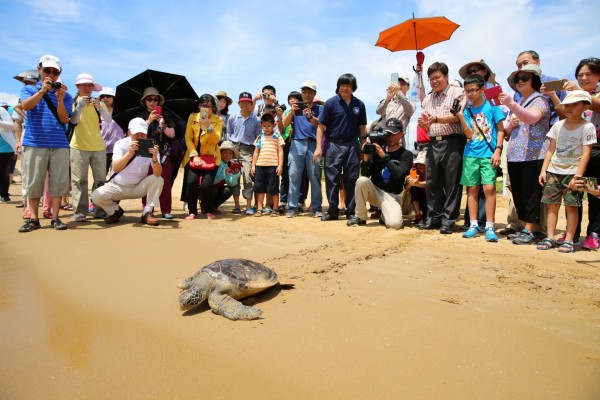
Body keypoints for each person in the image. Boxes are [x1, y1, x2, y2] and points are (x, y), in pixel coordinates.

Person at [18, 55, 73, 233]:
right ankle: (34, 218)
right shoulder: (29, 90)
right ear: (39, 69)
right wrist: (42, 91)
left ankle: (55, 218)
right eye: (47, 70)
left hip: (59, 143)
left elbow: (65, 119)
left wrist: (59, 99)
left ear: (59, 74)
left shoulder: (66, 95)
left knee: (58, 182)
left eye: (55, 72)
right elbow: (25, 107)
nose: (51, 74)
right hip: (35, 142)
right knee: (34, 182)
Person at [499, 63, 551, 245]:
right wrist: (511, 122)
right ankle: (524, 227)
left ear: (535, 80)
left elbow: (532, 118)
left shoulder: (540, 100)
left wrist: (511, 105)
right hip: (516, 155)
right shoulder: (521, 102)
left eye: (524, 78)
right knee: (519, 192)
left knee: (530, 193)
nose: (519, 82)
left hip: (534, 154)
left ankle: (530, 230)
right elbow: (506, 129)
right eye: (517, 79)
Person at [537, 90, 595, 253]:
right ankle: (550, 237)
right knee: (552, 205)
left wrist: (578, 175)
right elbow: (550, 150)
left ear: (585, 106)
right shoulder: (558, 125)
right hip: (553, 172)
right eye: (566, 105)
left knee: (571, 207)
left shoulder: (587, 127)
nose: (568, 108)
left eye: (574, 105)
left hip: (572, 173)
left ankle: (569, 239)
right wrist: (544, 170)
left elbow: (586, 153)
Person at [454, 74, 506, 242]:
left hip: (488, 154)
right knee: (472, 189)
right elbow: (469, 134)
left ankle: (490, 226)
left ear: (483, 89)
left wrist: (498, 150)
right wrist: (461, 116)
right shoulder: (467, 110)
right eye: (467, 91)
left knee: (489, 188)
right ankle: (473, 225)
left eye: (473, 90)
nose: (470, 94)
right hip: (470, 154)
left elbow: (500, 129)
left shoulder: (492, 106)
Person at [417, 62, 466, 234]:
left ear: (446, 76)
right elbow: (425, 123)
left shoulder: (458, 93)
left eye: (437, 77)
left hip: (453, 141)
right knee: (433, 182)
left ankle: (449, 220)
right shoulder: (428, 98)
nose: (434, 81)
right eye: (431, 79)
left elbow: (457, 116)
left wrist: (435, 119)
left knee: (452, 182)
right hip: (433, 142)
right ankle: (434, 217)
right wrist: (424, 124)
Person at [314, 73, 367, 221]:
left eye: (348, 85)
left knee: (352, 178)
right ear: (338, 87)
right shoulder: (330, 103)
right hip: (333, 144)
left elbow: (362, 127)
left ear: (353, 88)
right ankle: (332, 211)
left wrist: (363, 145)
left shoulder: (359, 105)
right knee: (332, 179)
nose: (344, 88)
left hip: (352, 145)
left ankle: (351, 211)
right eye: (342, 85)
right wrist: (319, 147)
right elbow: (321, 126)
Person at [90, 118, 163, 226]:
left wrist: (154, 158)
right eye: (136, 134)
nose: (140, 137)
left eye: (142, 134)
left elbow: (158, 173)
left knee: (158, 179)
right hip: (118, 187)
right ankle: (114, 211)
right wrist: (129, 154)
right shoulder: (120, 144)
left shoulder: (152, 147)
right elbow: (115, 168)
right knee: (96, 196)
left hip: (138, 187)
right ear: (129, 133)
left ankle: (147, 212)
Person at [561, 57, 600, 250]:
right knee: (574, 190)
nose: (584, 78)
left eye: (589, 74)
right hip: (576, 151)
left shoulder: (594, 94)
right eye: (580, 74)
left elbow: (597, 105)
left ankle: (594, 233)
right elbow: (564, 115)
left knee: (594, 192)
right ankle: (572, 233)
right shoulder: (575, 96)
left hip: (597, 150)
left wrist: (577, 91)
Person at [347, 118, 413, 229]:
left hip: (392, 195)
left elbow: (400, 175)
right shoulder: (375, 151)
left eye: (393, 133)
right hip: (375, 191)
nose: (390, 137)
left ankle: (384, 215)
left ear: (401, 134)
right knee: (362, 180)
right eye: (388, 134)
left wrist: (384, 156)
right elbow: (365, 175)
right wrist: (366, 159)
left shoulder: (406, 154)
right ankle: (360, 217)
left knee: (395, 224)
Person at [69, 73, 110, 222]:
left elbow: (108, 120)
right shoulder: (73, 101)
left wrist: (100, 108)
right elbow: (72, 120)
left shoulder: (98, 102)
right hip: (78, 146)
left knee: (100, 180)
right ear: (78, 87)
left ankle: (99, 210)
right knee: (79, 180)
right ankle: (80, 211)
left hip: (98, 146)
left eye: (90, 85)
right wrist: (80, 106)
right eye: (84, 85)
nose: (87, 88)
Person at [283, 80, 323, 218]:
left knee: (315, 176)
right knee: (293, 175)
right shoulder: (295, 108)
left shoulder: (320, 108)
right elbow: (285, 124)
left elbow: (321, 125)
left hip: (313, 144)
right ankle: (293, 207)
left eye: (309, 92)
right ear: (301, 93)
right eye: (304, 92)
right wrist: (291, 112)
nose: (306, 94)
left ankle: (317, 207)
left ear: (314, 94)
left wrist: (310, 116)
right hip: (297, 144)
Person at [137, 87, 177, 219]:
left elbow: (172, 134)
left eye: (156, 99)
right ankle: (148, 210)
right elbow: (136, 134)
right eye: (150, 99)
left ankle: (166, 210)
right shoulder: (140, 115)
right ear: (144, 101)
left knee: (165, 181)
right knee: (147, 181)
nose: (153, 102)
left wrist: (163, 124)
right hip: (145, 150)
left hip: (163, 151)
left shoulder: (165, 114)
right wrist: (148, 121)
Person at [182, 94, 223, 220]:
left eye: (209, 106)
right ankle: (192, 211)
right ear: (199, 106)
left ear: (213, 107)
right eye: (202, 106)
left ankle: (207, 210)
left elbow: (216, 139)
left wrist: (209, 126)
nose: (205, 109)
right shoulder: (192, 117)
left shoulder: (218, 120)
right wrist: (194, 155)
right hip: (194, 156)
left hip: (211, 158)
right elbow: (188, 138)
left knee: (206, 185)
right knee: (191, 183)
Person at [227, 92, 262, 215]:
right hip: (234, 149)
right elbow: (229, 133)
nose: (245, 104)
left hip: (248, 150)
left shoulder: (256, 120)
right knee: (234, 177)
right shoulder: (232, 117)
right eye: (242, 102)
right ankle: (236, 205)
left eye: (247, 102)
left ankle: (248, 205)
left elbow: (258, 137)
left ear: (251, 103)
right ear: (239, 103)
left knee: (247, 177)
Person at [251, 114, 284, 216]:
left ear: (274, 125)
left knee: (273, 189)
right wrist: (253, 165)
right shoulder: (260, 137)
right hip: (260, 166)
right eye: (264, 126)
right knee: (260, 188)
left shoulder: (277, 137)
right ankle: (260, 209)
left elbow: (280, 152)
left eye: (269, 126)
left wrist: (280, 165)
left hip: (273, 166)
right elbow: (256, 152)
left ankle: (275, 208)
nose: (267, 128)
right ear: (261, 125)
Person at [375, 75, 416, 148]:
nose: (400, 85)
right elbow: (378, 111)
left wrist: (399, 93)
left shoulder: (411, 103)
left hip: (398, 138)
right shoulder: (389, 101)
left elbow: (410, 111)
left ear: (408, 87)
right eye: (398, 83)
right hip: (385, 137)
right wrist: (387, 99)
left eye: (403, 83)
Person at [98, 87, 124, 175]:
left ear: (113, 98)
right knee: (100, 176)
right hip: (101, 148)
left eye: (108, 96)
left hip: (117, 149)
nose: (105, 98)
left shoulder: (121, 112)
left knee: (116, 176)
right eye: (103, 96)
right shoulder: (96, 112)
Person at [213, 140, 241, 212]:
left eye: (230, 153)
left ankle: (213, 206)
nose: (227, 155)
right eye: (225, 152)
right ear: (220, 153)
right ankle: (206, 205)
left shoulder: (228, 165)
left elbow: (231, 183)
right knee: (214, 188)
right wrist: (224, 174)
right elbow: (213, 181)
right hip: (207, 189)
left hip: (217, 188)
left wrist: (235, 175)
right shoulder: (216, 163)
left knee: (228, 190)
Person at [0, 102, 16, 203]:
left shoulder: (2, 111)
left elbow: (11, 126)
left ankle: (4, 195)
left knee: (2, 172)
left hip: (5, 147)